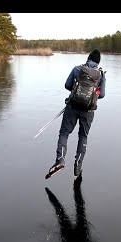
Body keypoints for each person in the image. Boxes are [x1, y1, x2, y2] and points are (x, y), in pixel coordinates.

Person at [47, 49, 106, 178]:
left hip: (72, 107)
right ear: (98, 62)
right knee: (83, 137)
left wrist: (77, 92)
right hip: (88, 111)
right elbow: (101, 95)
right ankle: (78, 166)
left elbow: (67, 85)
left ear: (88, 58)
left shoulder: (77, 69)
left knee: (64, 133)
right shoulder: (100, 74)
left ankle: (60, 159)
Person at [44, 176, 98, 242]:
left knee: (74, 210)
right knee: (64, 212)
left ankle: (77, 182)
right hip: (76, 240)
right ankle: (74, 184)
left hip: (77, 239)